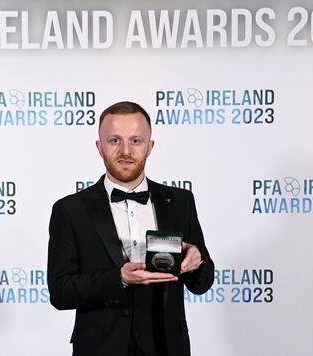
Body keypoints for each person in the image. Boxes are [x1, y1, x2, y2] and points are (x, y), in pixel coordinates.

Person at [48, 101, 214, 356]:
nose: (126, 150)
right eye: (115, 140)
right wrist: (120, 278)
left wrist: (197, 262)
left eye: (136, 141)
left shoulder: (181, 202)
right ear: (99, 147)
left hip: (167, 346)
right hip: (100, 349)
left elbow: (202, 283)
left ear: (150, 146)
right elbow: (60, 293)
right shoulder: (70, 210)